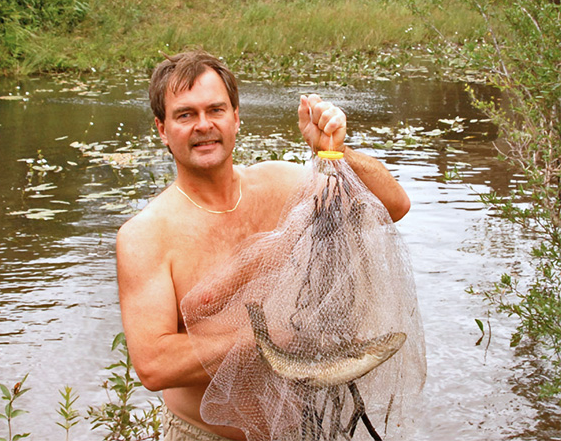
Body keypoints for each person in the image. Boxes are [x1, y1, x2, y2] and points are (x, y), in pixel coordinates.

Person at [116, 50, 410, 441]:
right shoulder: (145, 235)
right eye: (185, 114)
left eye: (215, 110)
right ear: (162, 128)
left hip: (305, 431)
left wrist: (336, 153)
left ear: (236, 117)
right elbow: (154, 365)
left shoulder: (281, 184)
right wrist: (268, 338)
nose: (203, 125)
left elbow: (393, 205)